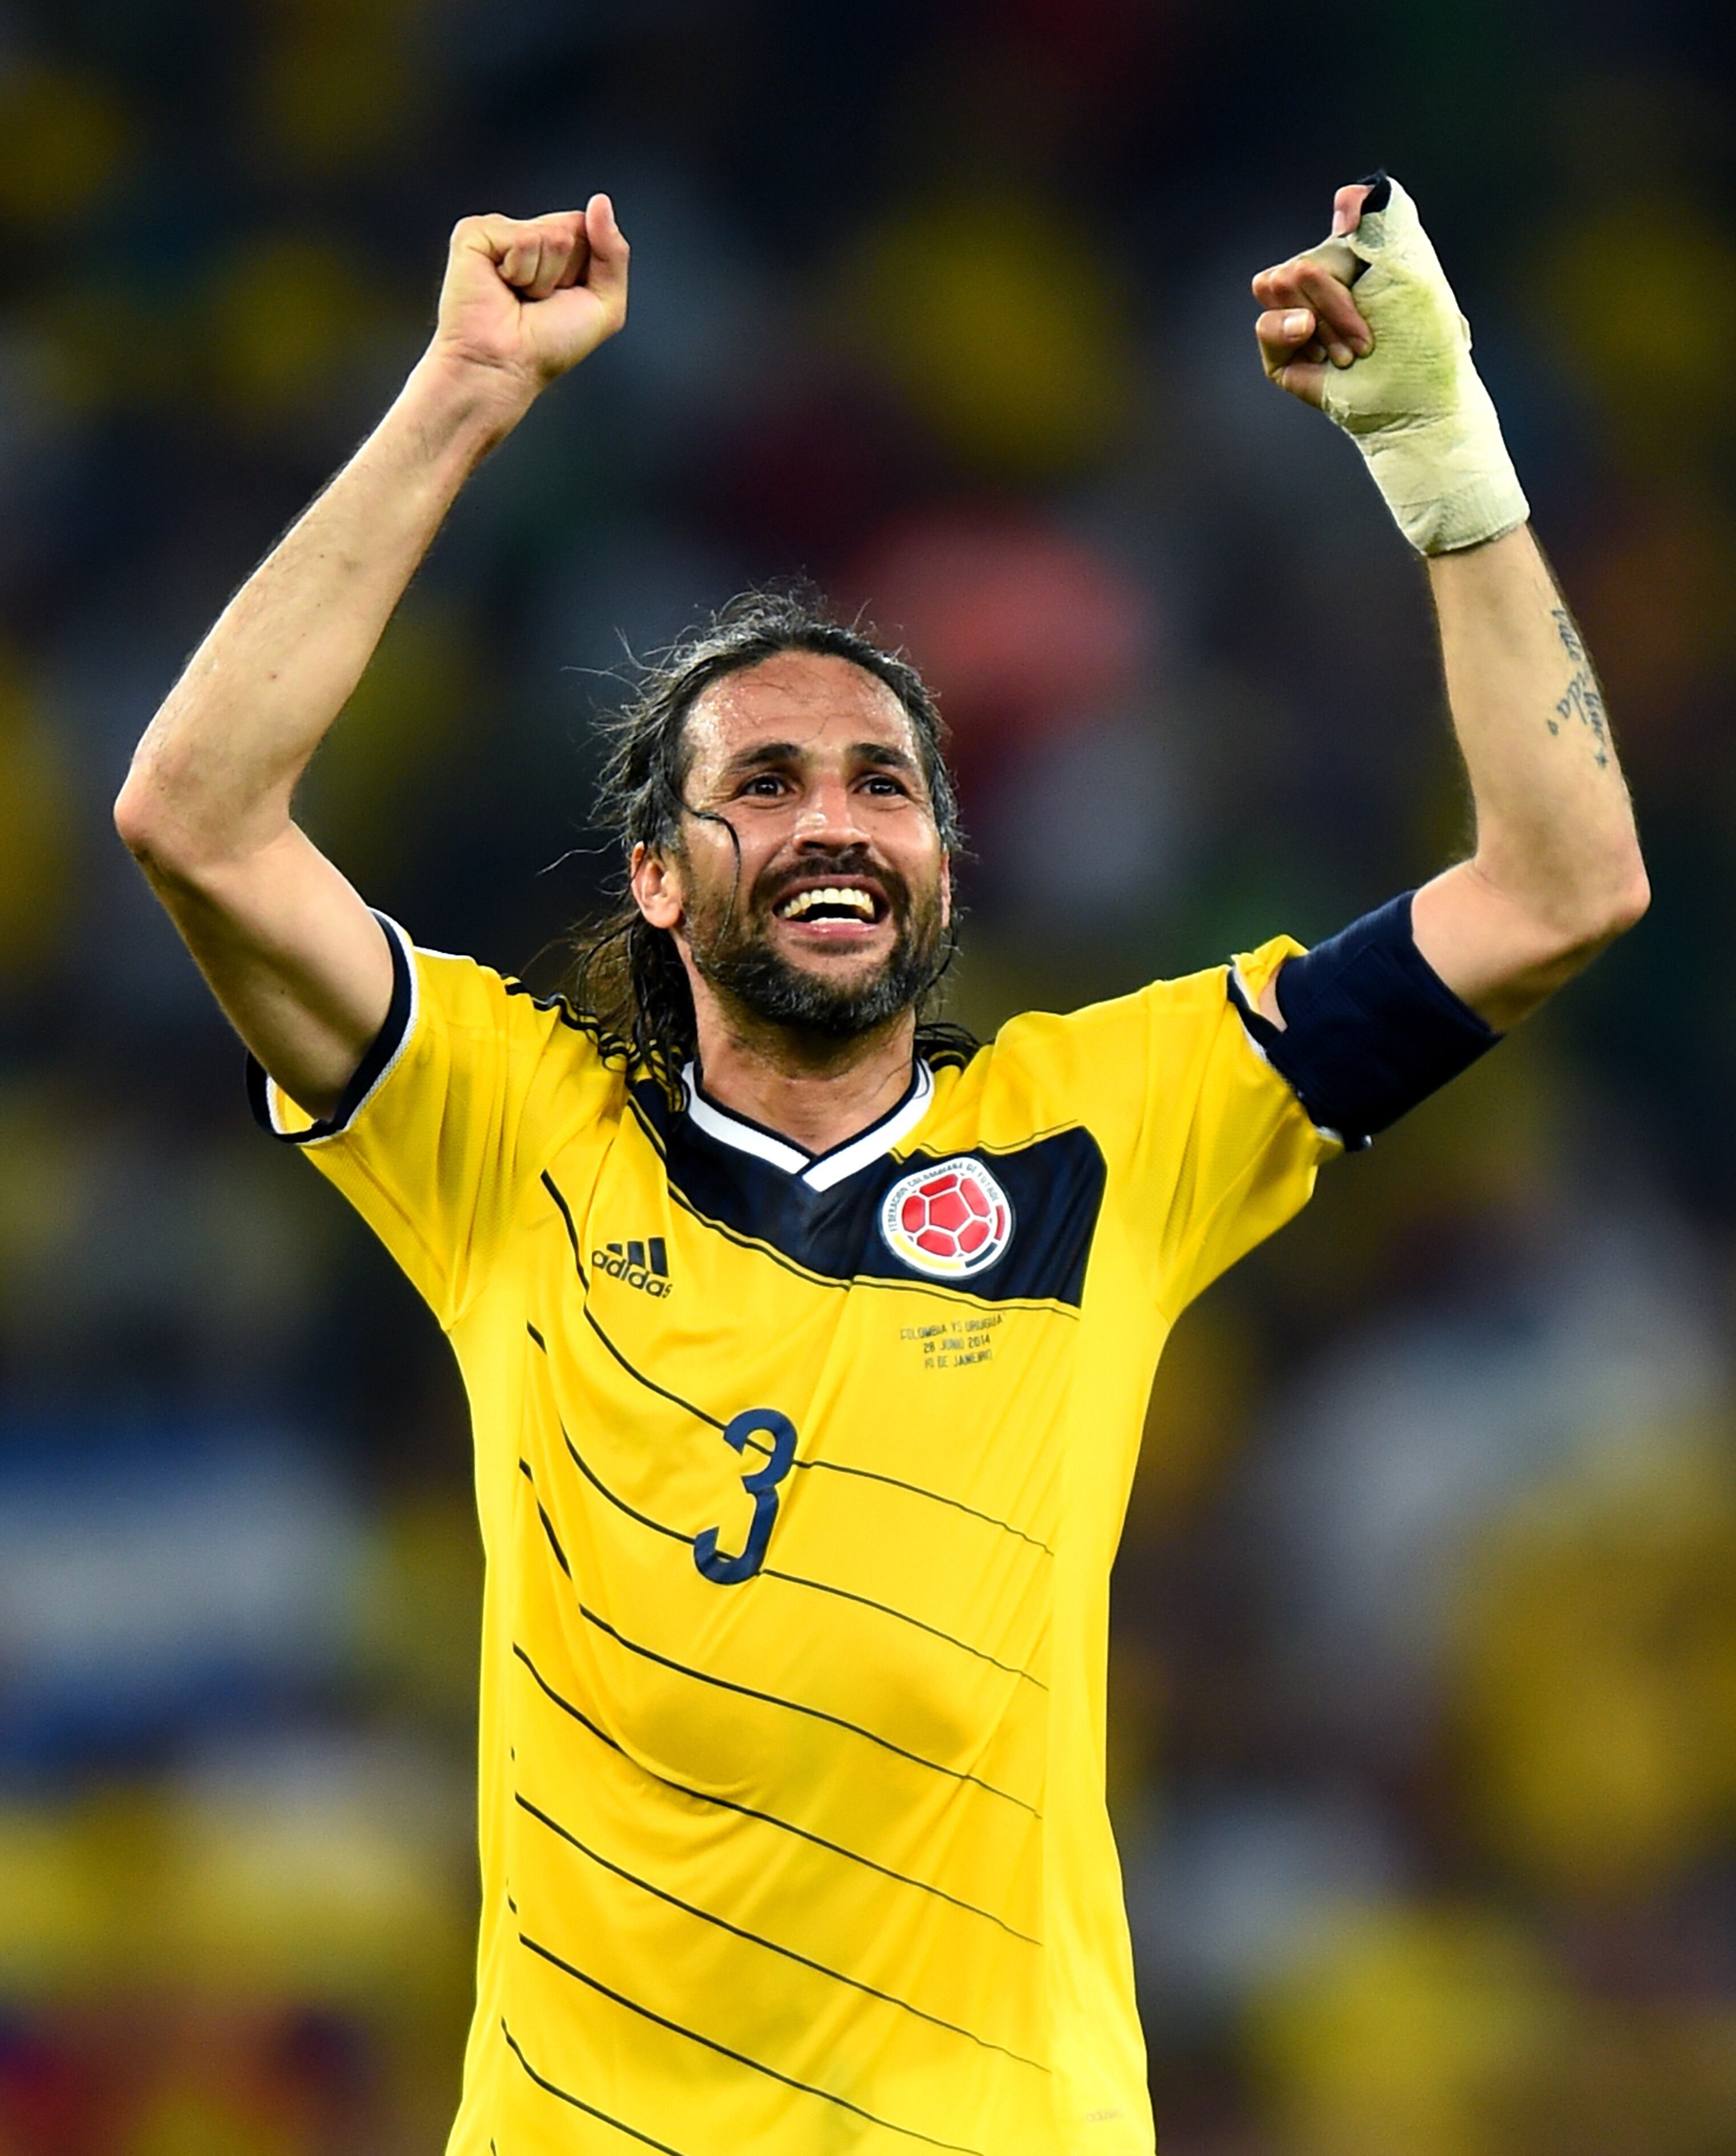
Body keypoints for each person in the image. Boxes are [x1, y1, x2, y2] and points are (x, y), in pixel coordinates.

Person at [115, 176, 1646, 2155]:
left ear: (939, 863)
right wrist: (461, 399)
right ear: (658, 881)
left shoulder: (1118, 1118)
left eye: (883, 785)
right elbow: (196, 819)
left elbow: (1561, 883)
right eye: (761, 784)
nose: (832, 819)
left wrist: (1443, 454)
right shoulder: (509, 1131)